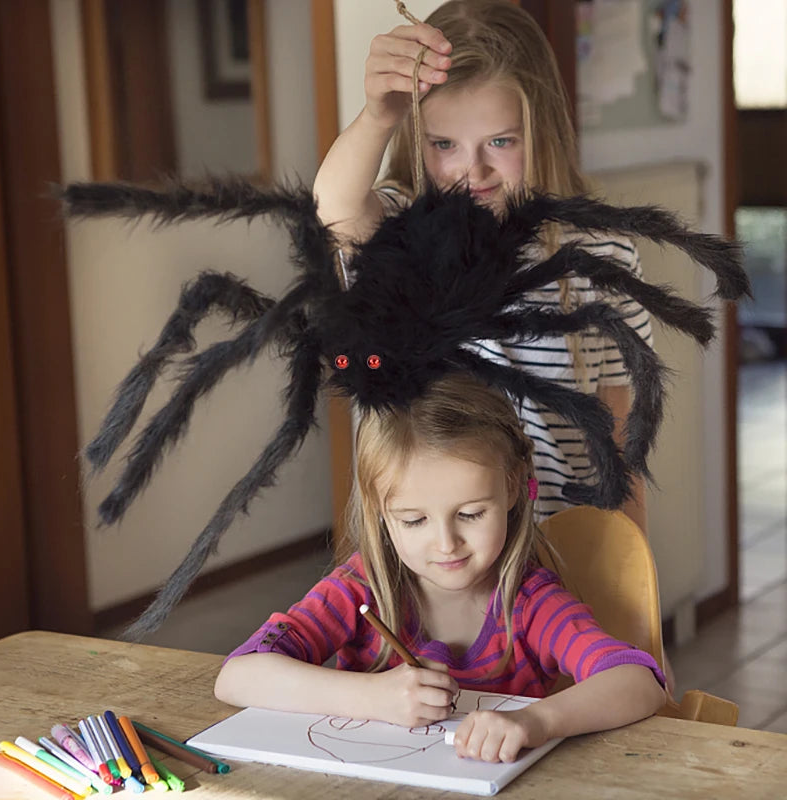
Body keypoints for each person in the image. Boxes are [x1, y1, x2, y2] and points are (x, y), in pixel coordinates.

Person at [312, 0, 652, 532]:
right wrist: (381, 113)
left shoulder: (604, 252)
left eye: (501, 141)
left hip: (557, 543)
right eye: (443, 144)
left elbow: (618, 429)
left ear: (540, 131)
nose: (472, 170)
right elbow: (335, 207)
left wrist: (629, 569)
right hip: (432, 555)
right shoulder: (402, 232)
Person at [215, 374, 666, 764]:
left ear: (512, 488)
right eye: (414, 520)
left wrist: (536, 721)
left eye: (470, 514)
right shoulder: (358, 590)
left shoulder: (530, 602)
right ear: (380, 513)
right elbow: (238, 676)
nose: (446, 543)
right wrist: (374, 698)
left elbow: (639, 682)